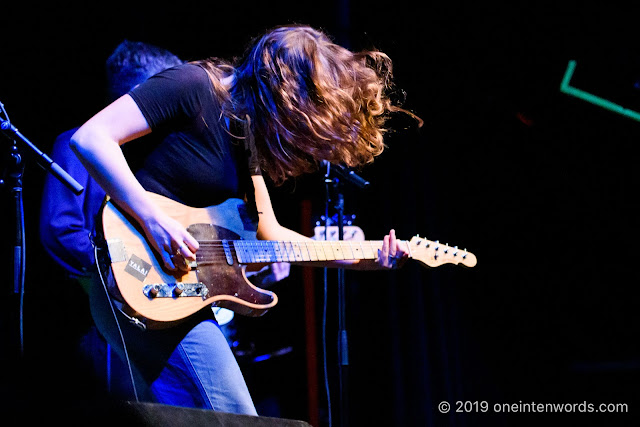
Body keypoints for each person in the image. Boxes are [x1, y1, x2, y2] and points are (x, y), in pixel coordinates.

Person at [69, 25, 416, 415]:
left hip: (182, 292)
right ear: (281, 90)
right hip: (133, 273)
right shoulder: (190, 85)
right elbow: (91, 138)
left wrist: (365, 256)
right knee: (233, 414)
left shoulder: (246, 135)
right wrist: (152, 219)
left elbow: (271, 238)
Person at [39, 40, 184, 398]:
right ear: (139, 93)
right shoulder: (77, 143)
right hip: (107, 319)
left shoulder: (164, 156)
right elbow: (61, 229)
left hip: (170, 314)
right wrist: (133, 268)